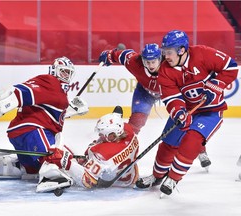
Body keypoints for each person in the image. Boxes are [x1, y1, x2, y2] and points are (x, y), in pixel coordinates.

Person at [135, 30, 238, 196]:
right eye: (164, 52)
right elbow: (171, 97)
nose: (165, 56)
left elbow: (230, 66)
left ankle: (174, 177)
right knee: (168, 144)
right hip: (188, 110)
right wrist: (179, 112)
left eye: (169, 52)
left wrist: (216, 84)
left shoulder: (203, 54)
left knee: (192, 139)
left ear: (181, 50)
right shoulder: (165, 71)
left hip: (210, 112)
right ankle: (157, 176)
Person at [0, 56, 89, 191]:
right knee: (54, 156)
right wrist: (14, 96)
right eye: (63, 71)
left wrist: (69, 110)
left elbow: (48, 111)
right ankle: (50, 177)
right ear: (54, 70)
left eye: (68, 73)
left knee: (31, 169)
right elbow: (28, 90)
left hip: (22, 134)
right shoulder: (51, 82)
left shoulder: (58, 91)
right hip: (32, 131)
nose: (65, 75)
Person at [98, 43, 212, 169]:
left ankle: (201, 151)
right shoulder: (134, 62)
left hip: (170, 94)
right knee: (135, 122)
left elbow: (193, 74)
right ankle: (119, 150)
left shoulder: (173, 66)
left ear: (160, 58)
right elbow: (122, 54)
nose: (150, 65)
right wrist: (109, 55)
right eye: (147, 62)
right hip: (145, 93)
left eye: (153, 62)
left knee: (185, 122)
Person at [39, 106, 139, 193]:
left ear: (112, 136)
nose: (99, 136)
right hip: (128, 175)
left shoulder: (103, 155)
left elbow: (88, 181)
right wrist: (88, 160)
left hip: (113, 185)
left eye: (102, 134)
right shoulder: (128, 131)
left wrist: (65, 162)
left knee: (62, 155)